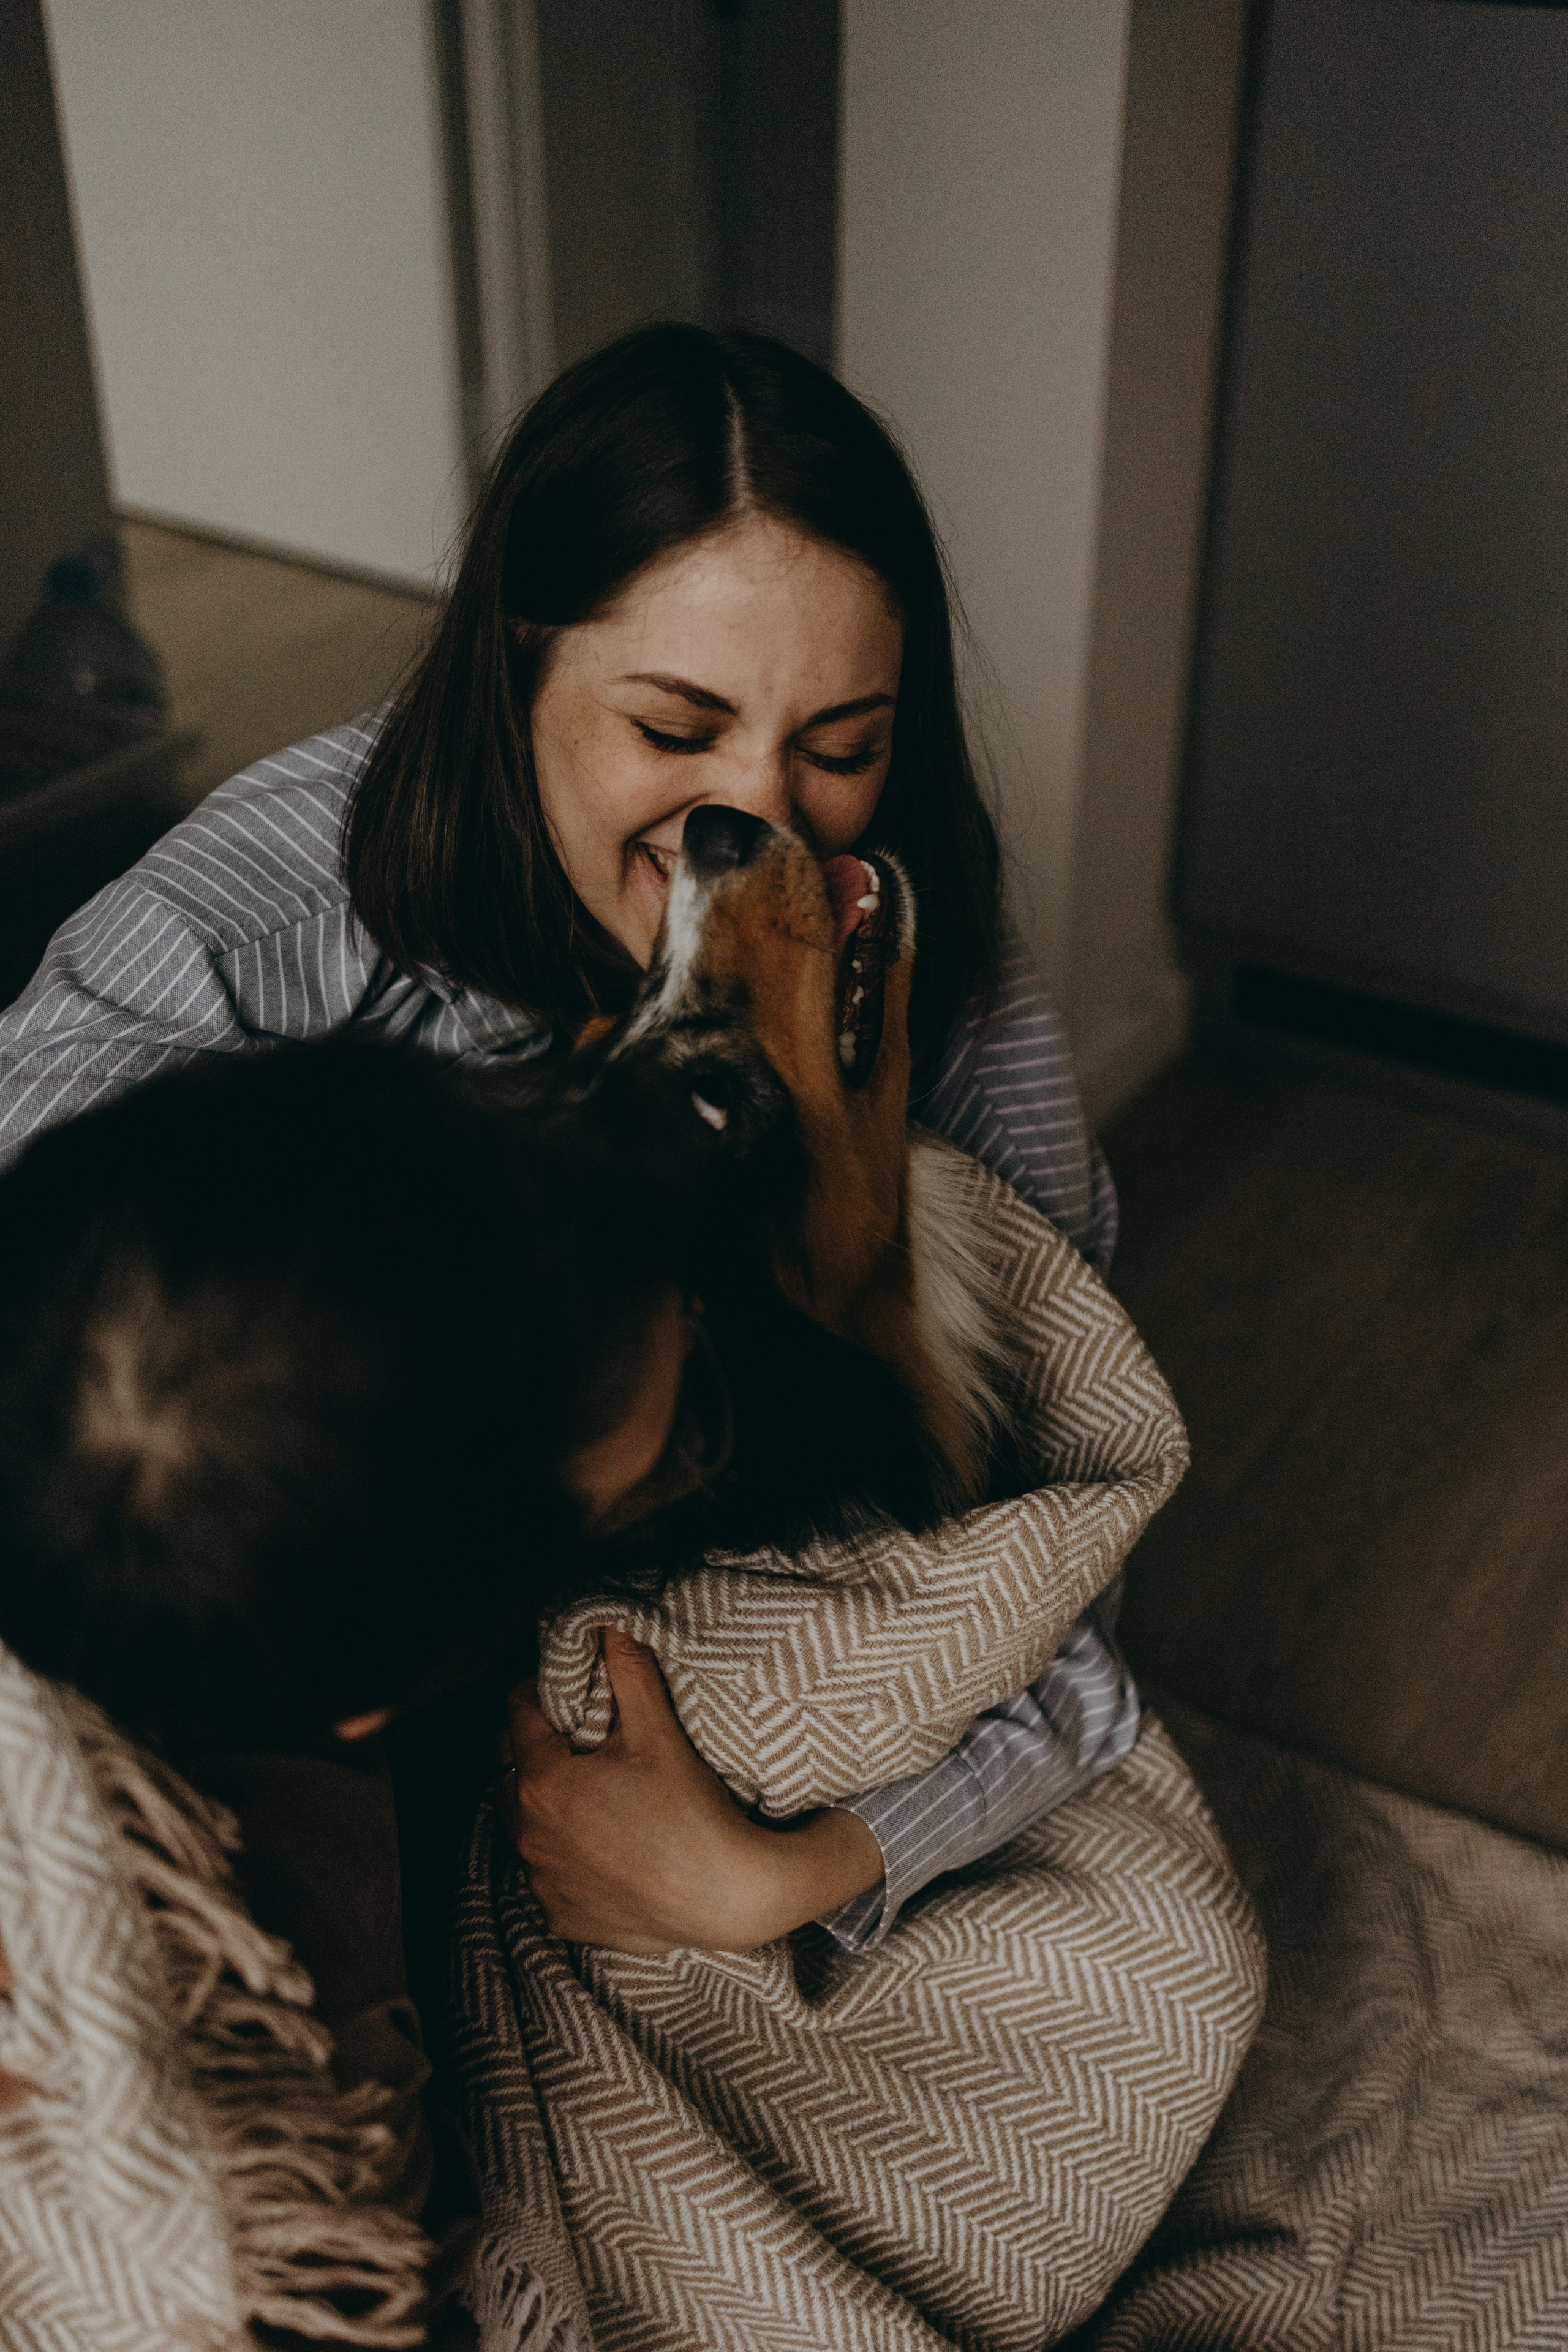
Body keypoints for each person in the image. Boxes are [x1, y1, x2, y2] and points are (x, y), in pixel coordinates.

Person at [0, 321, 1135, 1961]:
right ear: (510, 671)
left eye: (841, 748)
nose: (758, 823)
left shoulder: (891, 949)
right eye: (674, 731)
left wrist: (807, 1866)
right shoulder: (218, 980)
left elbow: (1069, 1537)